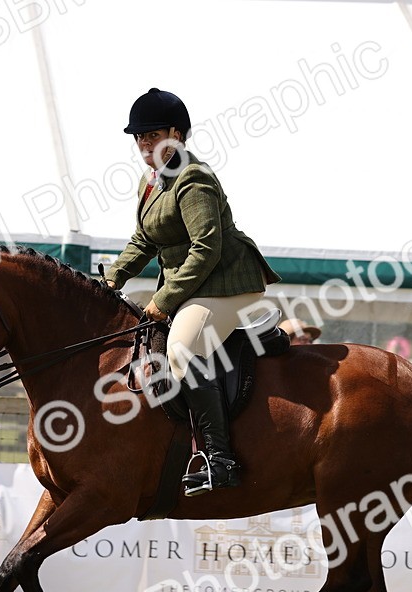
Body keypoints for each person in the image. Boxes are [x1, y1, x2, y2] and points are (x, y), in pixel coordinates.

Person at [104, 88, 281, 495]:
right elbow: (144, 240)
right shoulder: (150, 184)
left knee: (182, 348)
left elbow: (207, 247)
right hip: (196, 283)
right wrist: (113, 277)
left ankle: (220, 460)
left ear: (177, 135)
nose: (145, 145)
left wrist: (163, 300)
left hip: (227, 281)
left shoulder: (192, 177)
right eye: (140, 138)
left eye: (152, 136)